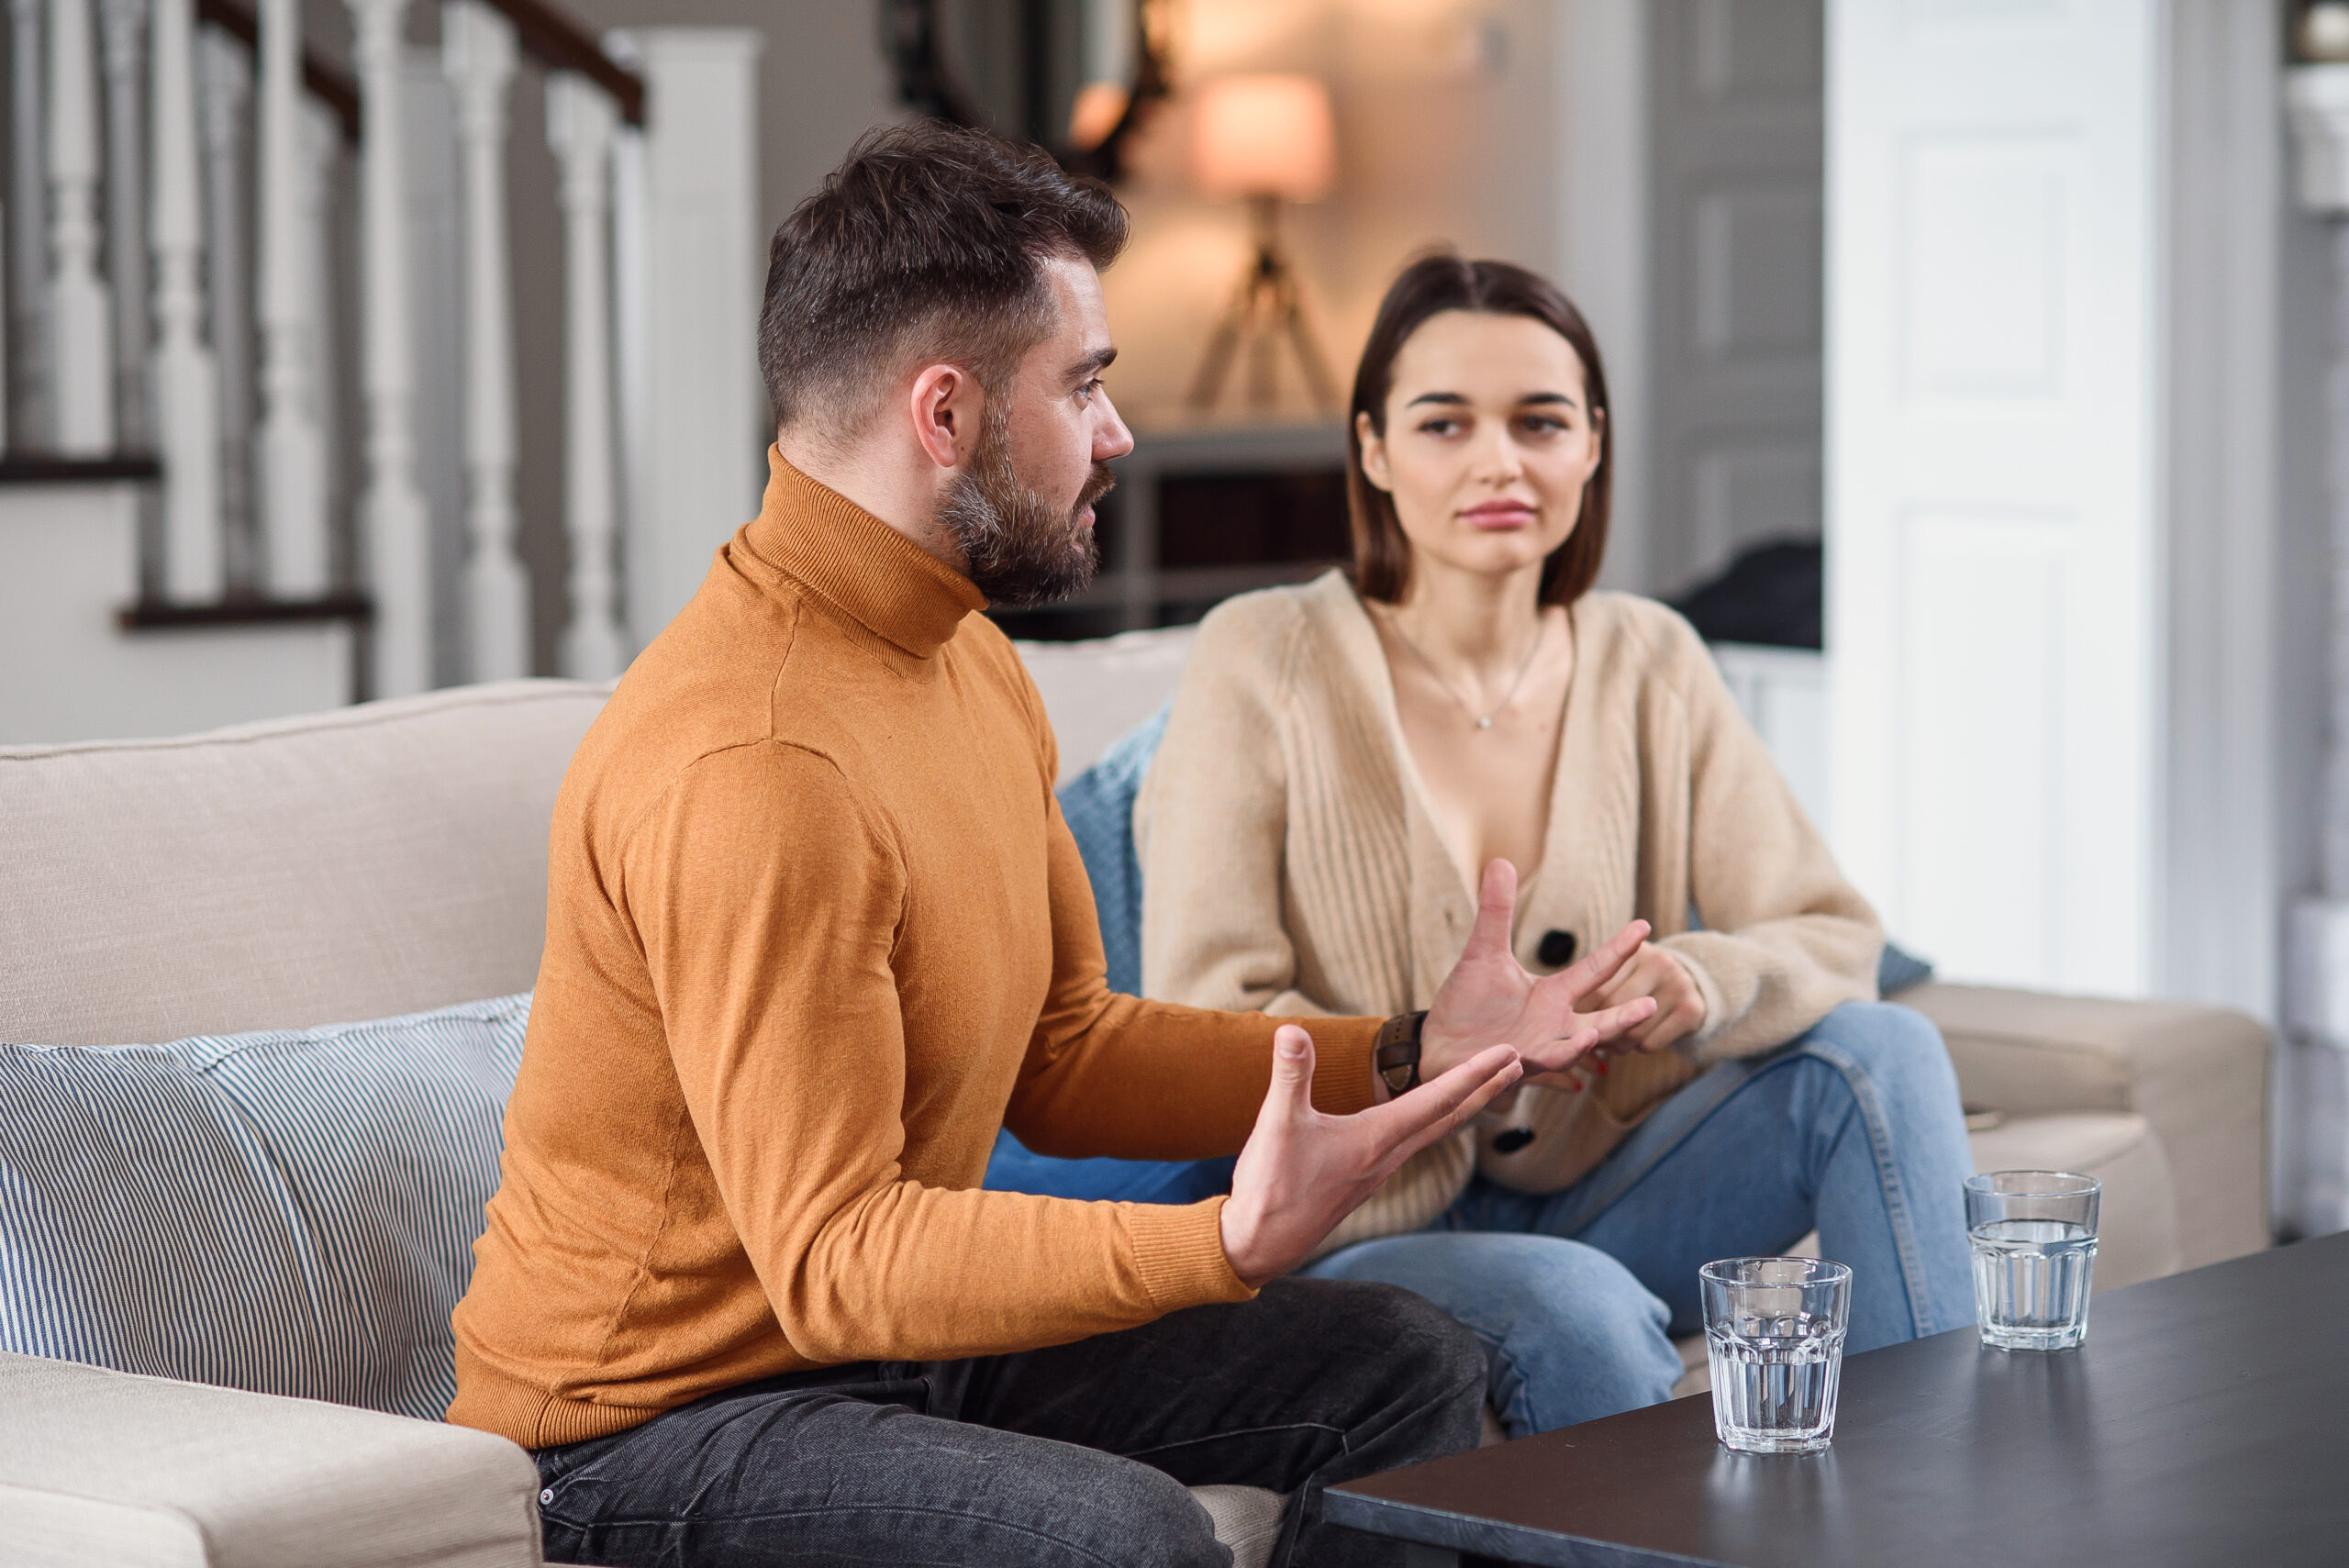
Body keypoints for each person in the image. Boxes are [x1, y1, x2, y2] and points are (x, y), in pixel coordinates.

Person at [446, 128, 1665, 1568]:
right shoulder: (759, 758)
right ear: (946, 415)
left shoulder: (963, 656)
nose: (1118, 432)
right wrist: (1216, 1246)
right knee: (1120, 1534)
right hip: (642, 1424)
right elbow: (835, 1259)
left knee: (1400, 1361)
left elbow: (1066, 1052)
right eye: (1083, 382)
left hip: (886, 1357)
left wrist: (1403, 1048)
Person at [1136, 253, 1977, 1441]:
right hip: (1356, 1227)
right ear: (1373, 449)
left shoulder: (1652, 658)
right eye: (1445, 423)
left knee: (1879, 1055)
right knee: (1575, 1307)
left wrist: (1696, 980)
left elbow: (1832, 928)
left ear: (1593, 444)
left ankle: (1936, 1511)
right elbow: (1198, 1019)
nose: (1500, 462)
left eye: (1541, 421)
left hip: (1601, 1185)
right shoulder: (1260, 657)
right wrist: (1438, 1053)